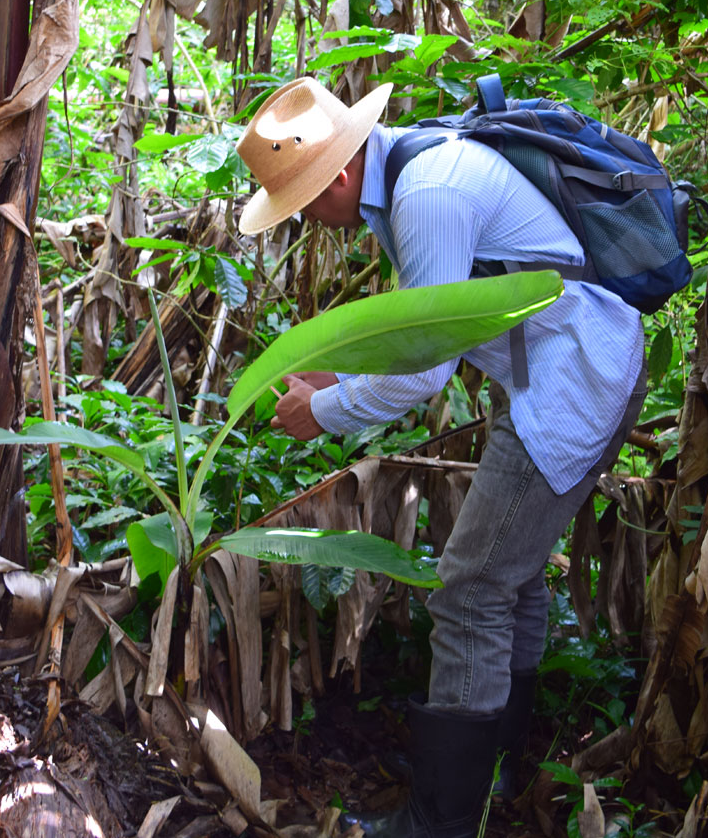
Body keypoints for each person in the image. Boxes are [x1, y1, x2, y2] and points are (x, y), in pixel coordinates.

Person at [235, 77, 646, 838]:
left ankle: (444, 818)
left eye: (304, 199)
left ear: (342, 175)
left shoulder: (428, 194)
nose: (307, 221)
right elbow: (430, 329)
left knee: (471, 588)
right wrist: (341, 378)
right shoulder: (410, 178)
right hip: (549, 378)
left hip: (572, 386)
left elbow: (426, 370)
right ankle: (496, 767)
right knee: (508, 579)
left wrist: (321, 413)